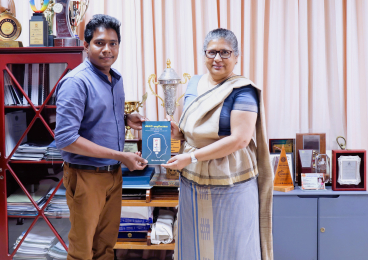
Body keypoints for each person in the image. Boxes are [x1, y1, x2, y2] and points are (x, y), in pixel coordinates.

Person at [162, 28, 273, 260]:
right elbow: (192, 130)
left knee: (233, 245)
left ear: (236, 56)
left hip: (231, 179)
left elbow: (240, 139)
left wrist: (191, 157)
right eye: (212, 52)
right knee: (194, 244)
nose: (217, 59)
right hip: (192, 179)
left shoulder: (243, 90)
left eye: (225, 52)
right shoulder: (194, 83)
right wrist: (176, 134)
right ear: (204, 55)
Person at [55, 14, 148, 260]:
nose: (107, 49)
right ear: (86, 46)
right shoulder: (76, 82)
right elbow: (66, 138)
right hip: (86, 176)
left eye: (113, 43)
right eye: (99, 43)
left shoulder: (114, 79)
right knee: (82, 250)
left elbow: (96, 118)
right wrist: (121, 155)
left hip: (113, 175)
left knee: (106, 246)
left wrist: (127, 119)